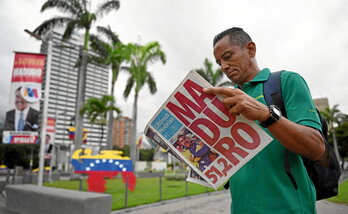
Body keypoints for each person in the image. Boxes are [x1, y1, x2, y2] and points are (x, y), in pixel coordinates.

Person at [203, 27, 325, 214]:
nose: (223, 66)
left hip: (289, 208)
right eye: (219, 62)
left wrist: (266, 115)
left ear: (250, 49)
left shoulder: (286, 81)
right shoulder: (224, 102)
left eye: (228, 56)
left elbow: (316, 148)